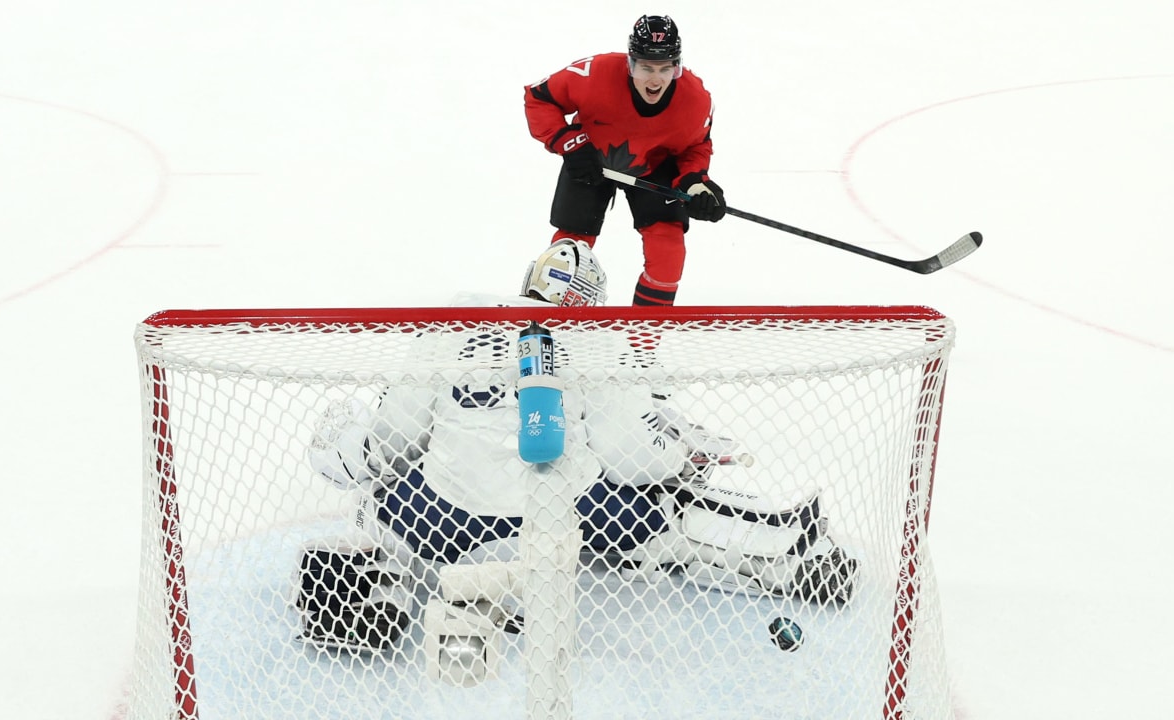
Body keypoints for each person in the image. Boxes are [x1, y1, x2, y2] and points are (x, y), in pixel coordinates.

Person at [293, 240, 857, 661]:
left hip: (446, 519)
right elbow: (632, 457)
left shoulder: (456, 317)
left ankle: (384, 582)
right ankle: (791, 556)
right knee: (663, 508)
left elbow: (393, 440)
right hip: (563, 516)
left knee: (377, 496)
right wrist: (680, 457)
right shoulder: (594, 337)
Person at [524, 14, 726, 308]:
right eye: (646, 67)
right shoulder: (595, 73)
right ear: (630, 64)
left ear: (677, 66)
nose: (655, 79)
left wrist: (696, 183)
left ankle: (647, 335)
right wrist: (570, 144)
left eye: (665, 68)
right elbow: (539, 98)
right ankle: (554, 322)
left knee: (668, 250)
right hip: (590, 157)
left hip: (655, 165)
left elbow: (696, 147)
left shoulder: (696, 100)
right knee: (568, 248)